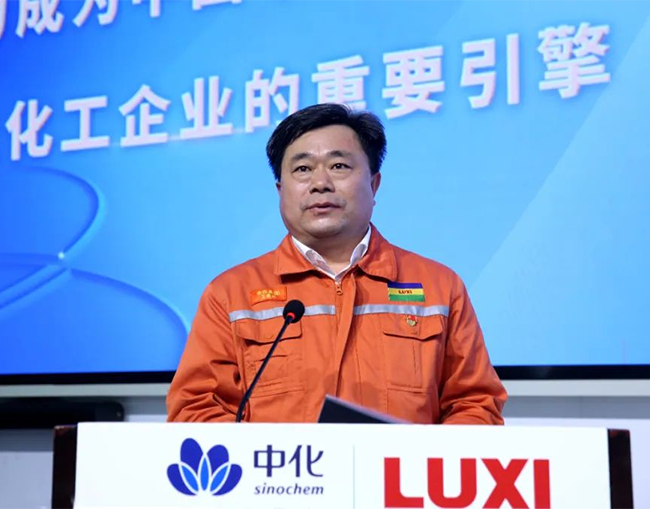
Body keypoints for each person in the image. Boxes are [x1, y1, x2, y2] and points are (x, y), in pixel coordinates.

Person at [167, 104, 507, 424]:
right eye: (302, 169)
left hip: (397, 470)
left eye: (339, 166)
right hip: (283, 470)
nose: (320, 183)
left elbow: (475, 404)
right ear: (280, 190)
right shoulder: (231, 294)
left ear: (373, 184)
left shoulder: (438, 287)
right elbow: (196, 409)